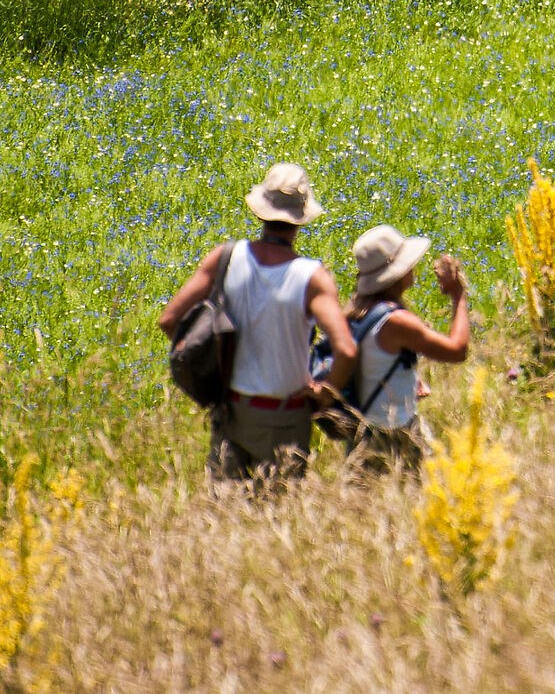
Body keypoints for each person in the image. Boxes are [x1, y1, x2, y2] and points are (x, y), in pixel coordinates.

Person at [158, 162, 354, 485]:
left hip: (231, 409)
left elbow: (170, 321)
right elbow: (345, 348)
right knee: (276, 523)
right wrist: (325, 395)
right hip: (286, 416)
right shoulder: (312, 278)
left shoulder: (225, 257)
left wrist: (212, 369)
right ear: (301, 218)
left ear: (261, 210)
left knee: (226, 517)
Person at [322, 223, 471, 478]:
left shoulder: (357, 313)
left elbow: (374, 363)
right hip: (396, 435)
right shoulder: (397, 321)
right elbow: (457, 350)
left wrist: (407, 379)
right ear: (396, 273)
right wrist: (458, 296)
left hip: (361, 437)